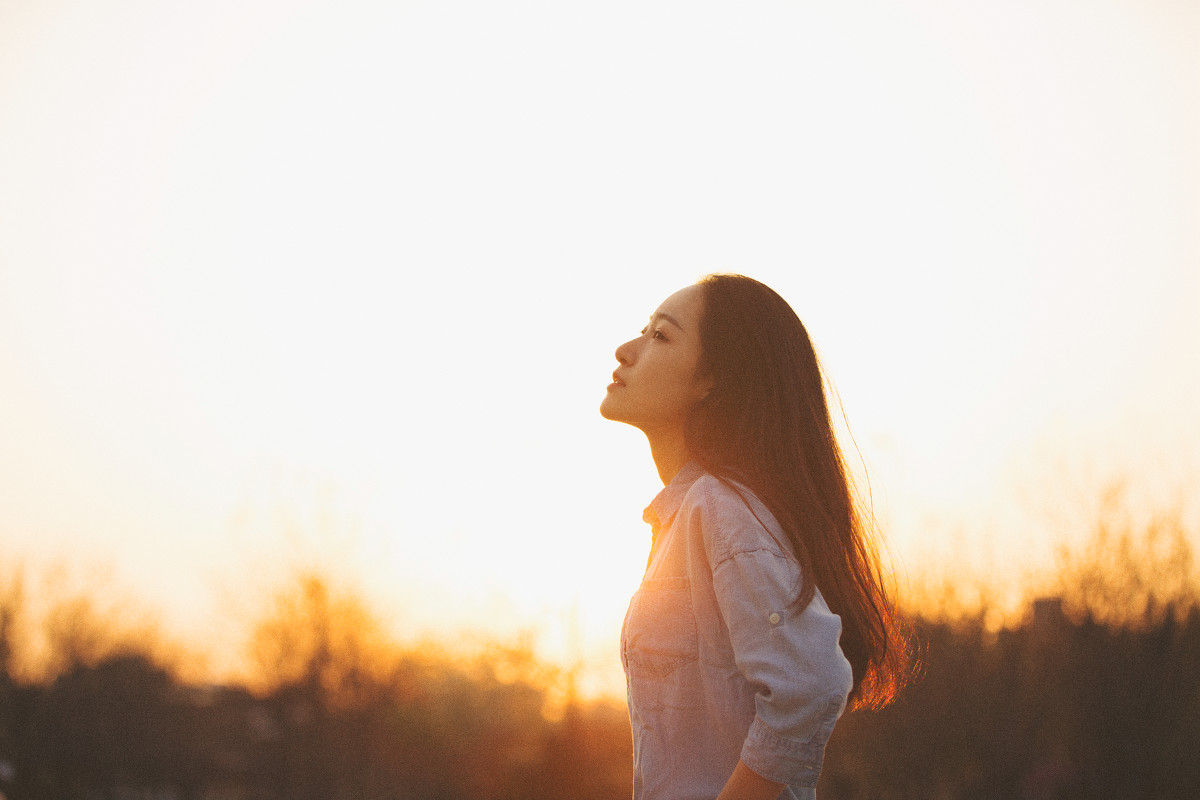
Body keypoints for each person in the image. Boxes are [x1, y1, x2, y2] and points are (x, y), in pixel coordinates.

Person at [600, 274, 910, 800]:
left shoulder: (719, 508)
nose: (626, 350)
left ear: (711, 380)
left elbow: (810, 684)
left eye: (661, 336)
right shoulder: (689, 516)